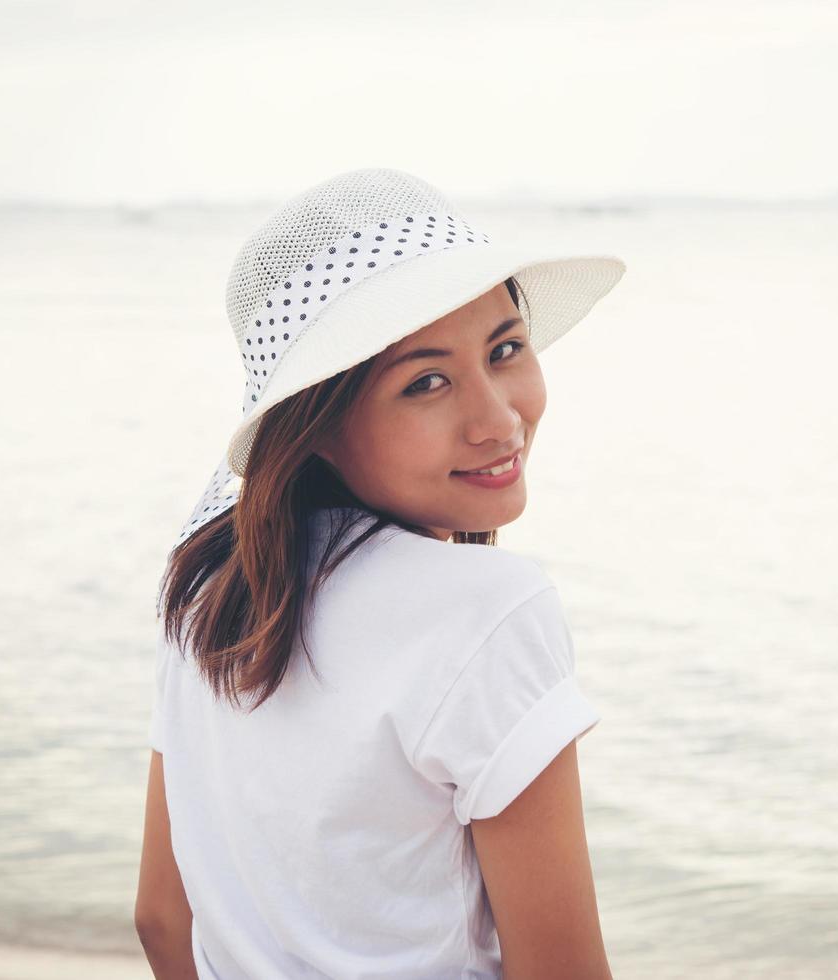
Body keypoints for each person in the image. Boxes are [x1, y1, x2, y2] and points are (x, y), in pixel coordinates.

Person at [133, 168, 626, 979]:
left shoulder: (209, 585)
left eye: (505, 349)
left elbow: (160, 919)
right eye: (424, 382)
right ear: (316, 425)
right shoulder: (488, 610)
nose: (498, 420)